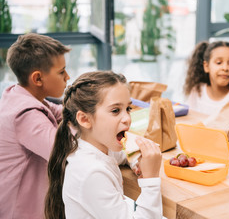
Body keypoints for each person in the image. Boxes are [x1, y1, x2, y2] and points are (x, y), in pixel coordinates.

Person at [44, 71, 163, 219]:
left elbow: (120, 154)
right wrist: (150, 180)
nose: (127, 118)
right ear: (85, 119)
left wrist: (136, 161)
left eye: (128, 109)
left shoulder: (96, 146)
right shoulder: (91, 173)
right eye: (115, 110)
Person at [0, 33, 70, 218]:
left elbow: (65, 113)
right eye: (61, 72)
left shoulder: (19, 96)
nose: (68, 77)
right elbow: (64, 152)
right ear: (37, 79)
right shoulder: (25, 114)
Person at [184, 40, 229, 125]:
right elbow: (189, 120)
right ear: (206, 66)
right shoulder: (198, 90)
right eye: (219, 63)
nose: (225, 68)